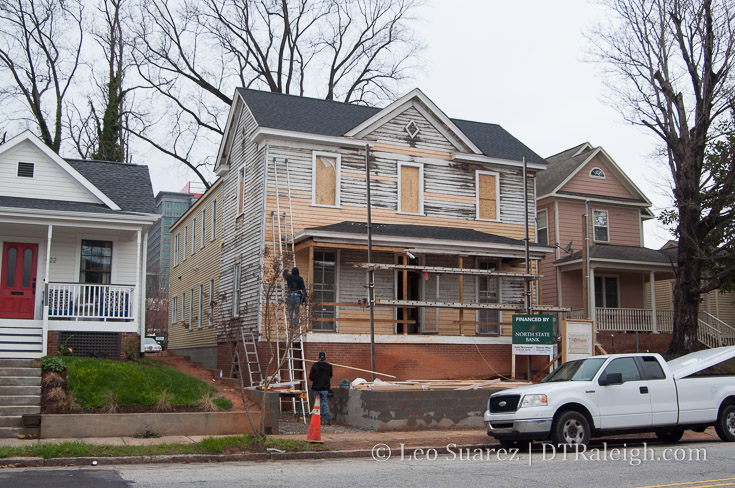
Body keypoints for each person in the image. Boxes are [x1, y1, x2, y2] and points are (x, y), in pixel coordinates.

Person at [309, 351, 333, 425]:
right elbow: (330, 375)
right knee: (325, 403)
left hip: (316, 388)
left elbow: (311, 377)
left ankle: (317, 420)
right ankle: (327, 420)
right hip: (325, 389)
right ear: (325, 358)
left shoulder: (315, 366)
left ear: (319, 357)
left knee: (317, 405)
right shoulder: (329, 366)